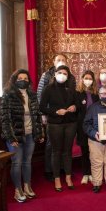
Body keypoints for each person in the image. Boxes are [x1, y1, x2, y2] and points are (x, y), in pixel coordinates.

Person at [0, 69, 44, 202]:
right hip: (15, 135)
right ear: (14, 80)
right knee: (17, 163)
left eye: (25, 78)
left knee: (27, 162)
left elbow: (37, 116)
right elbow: (4, 118)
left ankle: (27, 186)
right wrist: (10, 137)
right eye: (20, 78)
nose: (23, 80)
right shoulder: (8, 94)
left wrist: (40, 132)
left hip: (30, 134)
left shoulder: (32, 94)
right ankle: (17, 190)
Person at [37, 54, 76, 182]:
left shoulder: (71, 79)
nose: (61, 61)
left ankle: (64, 170)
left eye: (63, 60)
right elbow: (40, 98)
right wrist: (46, 115)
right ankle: (51, 171)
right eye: (58, 60)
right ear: (54, 62)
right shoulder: (46, 76)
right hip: (52, 119)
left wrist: (73, 107)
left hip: (68, 121)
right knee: (52, 147)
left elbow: (74, 98)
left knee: (66, 148)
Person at [75, 70, 99, 185]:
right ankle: (85, 173)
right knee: (84, 150)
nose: (88, 80)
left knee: (93, 151)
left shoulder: (96, 94)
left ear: (93, 80)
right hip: (82, 125)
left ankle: (93, 173)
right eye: (86, 78)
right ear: (82, 79)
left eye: (90, 78)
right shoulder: (77, 93)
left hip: (94, 125)